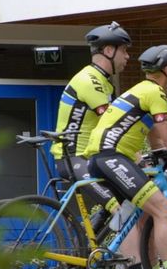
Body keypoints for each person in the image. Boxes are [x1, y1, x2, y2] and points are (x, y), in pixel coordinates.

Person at [84, 45, 167, 269]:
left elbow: (158, 142)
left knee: (146, 214)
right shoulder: (155, 92)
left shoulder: (140, 91)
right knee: (165, 209)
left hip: (104, 158)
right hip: (112, 157)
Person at [49, 22, 131, 217]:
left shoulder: (103, 81)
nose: (127, 57)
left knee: (127, 195)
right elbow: (112, 123)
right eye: (124, 51)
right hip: (74, 158)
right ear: (109, 50)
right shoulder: (90, 80)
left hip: (88, 157)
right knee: (119, 209)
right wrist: (134, 154)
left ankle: (89, 245)